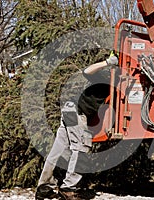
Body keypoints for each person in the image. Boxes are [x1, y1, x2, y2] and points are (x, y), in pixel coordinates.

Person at [35, 54, 119, 200]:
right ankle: (69, 188)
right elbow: (87, 71)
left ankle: (44, 187)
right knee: (81, 147)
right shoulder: (105, 76)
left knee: (58, 149)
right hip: (76, 111)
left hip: (69, 109)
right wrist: (107, 62)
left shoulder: (114, 81)